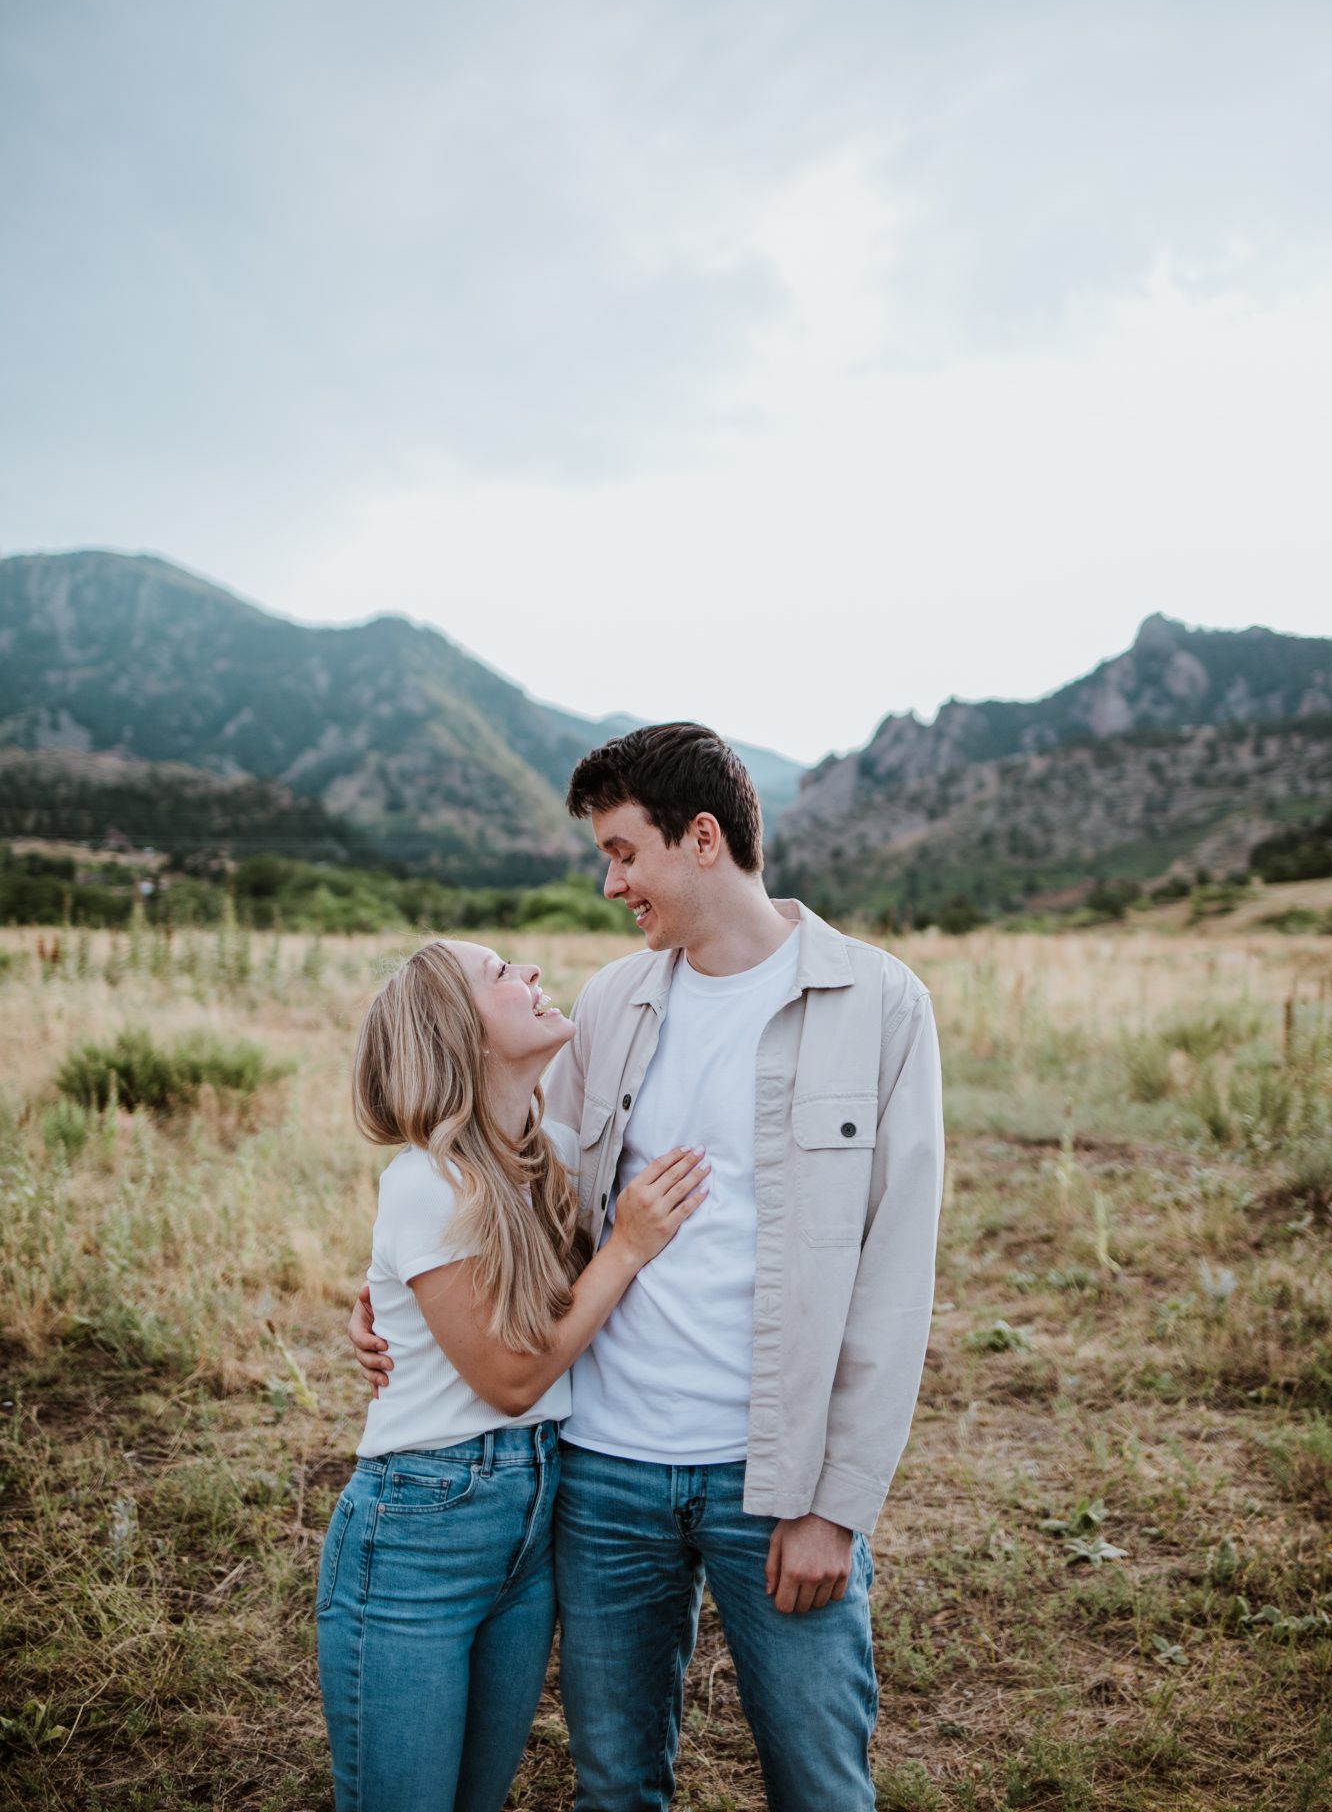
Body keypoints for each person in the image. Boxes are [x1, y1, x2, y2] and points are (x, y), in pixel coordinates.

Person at [351, 723, 945, 1812]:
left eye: (624, 851)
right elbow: (534, 1188)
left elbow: (895, 1281)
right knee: (616, 1785)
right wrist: (402, 1289)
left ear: (702, 837)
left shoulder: (881, 1004)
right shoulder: (614, 1003)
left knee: (822, 1783)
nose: (611, 881)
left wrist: (840, 1506)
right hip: (603, 1471)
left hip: (778, 1480)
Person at [318, 935, 709, 1812]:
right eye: (500, 973)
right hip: (418, 1533)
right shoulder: (423, 1183)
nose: (530, 972)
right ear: (460, 1034)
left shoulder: (554, 1157)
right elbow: (509, 1380)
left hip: (530, 1527)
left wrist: (382, 1293)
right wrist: (628, 1248)